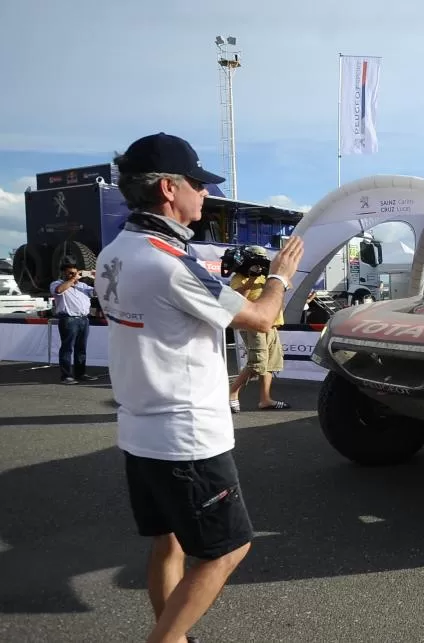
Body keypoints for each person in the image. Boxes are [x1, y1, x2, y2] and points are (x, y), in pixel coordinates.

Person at [95, 132, 304, 643]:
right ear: (169, 188)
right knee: (227, 549)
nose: (206, 194)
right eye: (198, 184)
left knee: (167, 542)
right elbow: (259, 317)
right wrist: (280, 276)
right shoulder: (171, 262)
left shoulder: (113, 253)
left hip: (139, 429)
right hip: (186, 436)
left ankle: (172, 636)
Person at [228, 246, 289, 412]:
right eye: (256, 259)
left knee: (269, 364)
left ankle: (265, 399)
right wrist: (251, 279)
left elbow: (284, 288)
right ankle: (232, 393)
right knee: (257, 363)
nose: (259, 265)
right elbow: (239, 299)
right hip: (252, 324)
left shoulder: (267, 277)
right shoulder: (239, 277)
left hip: (272, 323)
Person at [49, 260, 98, 384]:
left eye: (75, 273)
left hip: (84, 319)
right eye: (70, 273)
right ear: (63, 273)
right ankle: (66, 376)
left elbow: (96, 293)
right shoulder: (57, 283)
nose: (73, 275)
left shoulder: (82, 286)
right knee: (67, 348)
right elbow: (59, 290)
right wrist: (72, 280)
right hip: (68, 319)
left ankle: (80, 373)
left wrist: (97, 278)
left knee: (81, 348)